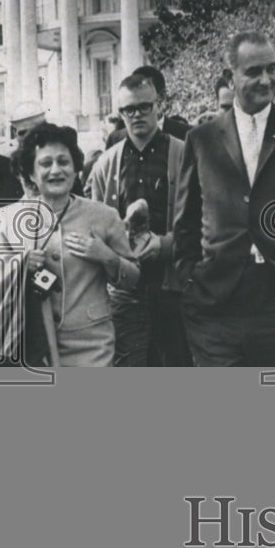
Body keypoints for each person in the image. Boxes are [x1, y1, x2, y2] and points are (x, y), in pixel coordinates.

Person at [174, 30, 275, 367]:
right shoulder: (201, 140)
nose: (266, 80)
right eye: (253, 72)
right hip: (216, 305)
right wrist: (191, 280)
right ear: (229, 77)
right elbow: (185, 224)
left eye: (272, 69)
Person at [0, 124, 139, 366]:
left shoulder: (104, 216)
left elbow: (133, 281)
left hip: (92, 346)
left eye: (63, 162)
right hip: (30, 345)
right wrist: (20, 264)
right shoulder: (5, 221)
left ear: (76, 167)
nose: (56, 170)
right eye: (45, 164)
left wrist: (107, 257)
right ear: (30, 173)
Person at [86, 73, 190, 366]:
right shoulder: (107, 163)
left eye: (144, 106)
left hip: (172, 288)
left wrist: (166, 245)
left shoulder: (183, 155)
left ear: (159, 106)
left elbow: (201, 224)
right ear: (120, 113)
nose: (137, 115)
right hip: (125, 294)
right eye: (128, 109)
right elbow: (94, 224)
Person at [105, 65, 189, 145]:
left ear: (161, 97)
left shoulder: (187, 134)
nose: (137, 113)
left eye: (144, 105)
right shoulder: (115, 139)